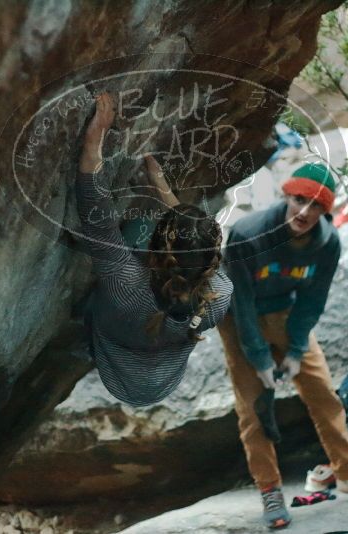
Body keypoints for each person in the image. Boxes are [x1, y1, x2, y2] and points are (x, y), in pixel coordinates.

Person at [217, 162, 348, 530]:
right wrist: (259, 357)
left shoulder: (327, 243)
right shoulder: (248, 234)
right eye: (299, 200)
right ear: (287, 195)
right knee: (254, 408)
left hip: (287, 312)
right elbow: (240, 301)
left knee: (323, 392)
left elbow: (313, 301)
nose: (305, 212)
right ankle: (270, 492)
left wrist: (295, 351)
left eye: (316, 205)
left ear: (325, 210)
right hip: (240, 319)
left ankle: (347, 475)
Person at [76, 92, 233, 407]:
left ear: (159, 248)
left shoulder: (126, 284)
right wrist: (161, 185)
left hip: (114, 361)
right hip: (160, 379)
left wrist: (94, 138)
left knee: (135, 226)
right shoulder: (220, 295)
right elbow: (191, 249)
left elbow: (96, 211)